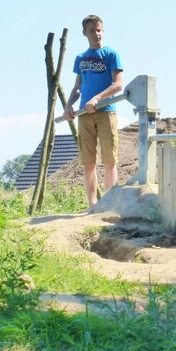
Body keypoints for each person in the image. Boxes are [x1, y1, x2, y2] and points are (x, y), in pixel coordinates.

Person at [63, 14, 123, 207]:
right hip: (84, 114)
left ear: (102, 30)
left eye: (99, 30)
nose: (96, 34)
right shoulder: (80, 58)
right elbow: (77, 88)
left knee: (109, 159)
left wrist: (97, 98)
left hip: (106, 110)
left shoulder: (111, 54)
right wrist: (68, 106)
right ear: (84, 33)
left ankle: (110, 204)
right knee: (88, 161)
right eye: (92, 31)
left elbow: (118, 85)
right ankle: (92, 205)